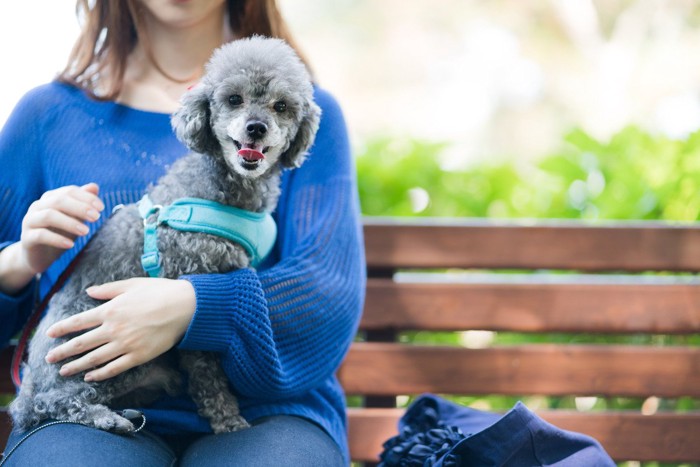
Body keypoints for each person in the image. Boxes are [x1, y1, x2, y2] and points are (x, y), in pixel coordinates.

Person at [0, 0, 365, 465]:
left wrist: (194, 307)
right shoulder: (46, 114)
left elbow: (327, 295)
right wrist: (16, 264)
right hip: (87, 406)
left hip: (268, 415)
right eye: (233, 102)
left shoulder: (309, 113)